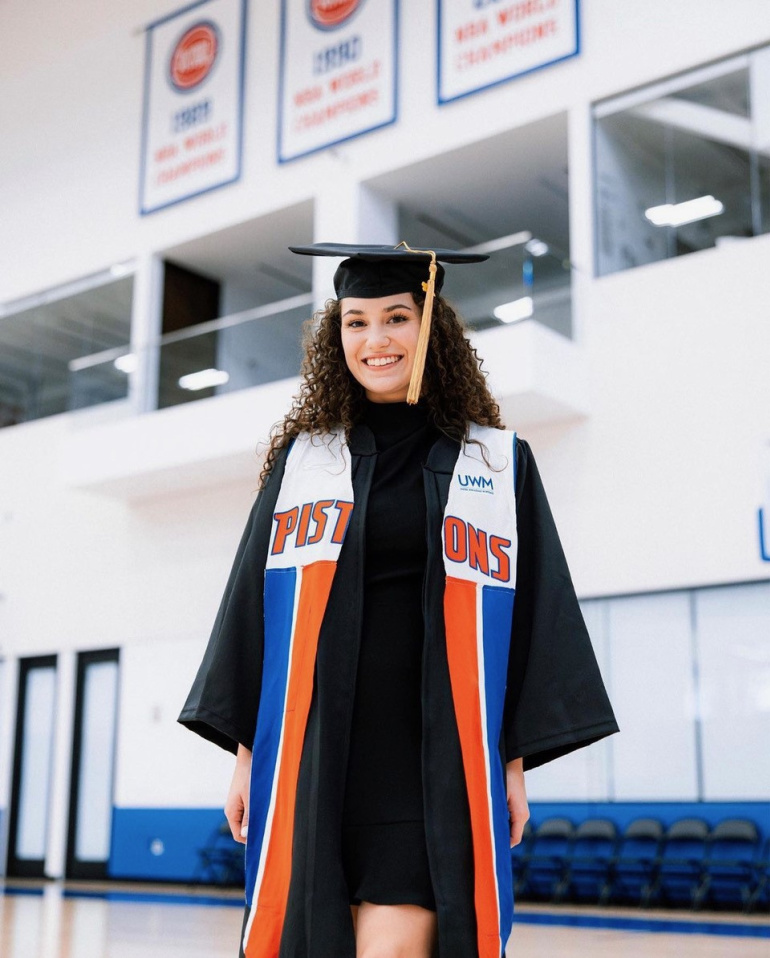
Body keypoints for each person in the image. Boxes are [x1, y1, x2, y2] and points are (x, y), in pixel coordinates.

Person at [179, 243, 618, 958]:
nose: (375, 340)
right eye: (356, 322)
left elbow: (536, 620)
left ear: (430, 326)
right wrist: (243, 758)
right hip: (316, 757)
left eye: (395, 317)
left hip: (431, 763)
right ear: (336, 336)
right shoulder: (305, 462)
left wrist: (508, 766)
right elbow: (253, 613)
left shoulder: (496, 461)